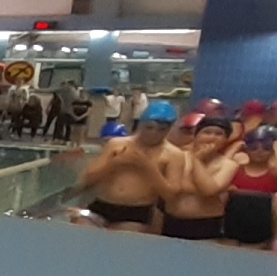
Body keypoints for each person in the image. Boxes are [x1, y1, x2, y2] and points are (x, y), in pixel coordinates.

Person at [75, 101, 182, 231]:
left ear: (170, 129)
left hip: (136, 212)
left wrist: (147, 167)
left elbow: (171, 196)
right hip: (101, 205)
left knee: (125, 239)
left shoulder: (174, 155)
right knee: (81, 233)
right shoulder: (116, 144)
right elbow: (88, 179)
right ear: (140, 124)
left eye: (162, 130)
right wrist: (114, 163)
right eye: (149, 127)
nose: (154, 133)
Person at [163, 117, 238, 241]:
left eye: (219, 134)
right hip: (172, 220)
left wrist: (197, 160)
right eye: (207, 132)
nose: (212, 137)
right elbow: (171, 189)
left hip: (205, 223)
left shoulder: (228, 164)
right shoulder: (177, 157)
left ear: (226, 140)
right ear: (196, 135)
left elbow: (208, 190)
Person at [225, 126, 277, 246]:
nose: (259, 151)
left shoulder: (275, 173)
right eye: (253, 147)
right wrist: (235, 147)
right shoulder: (235, 168)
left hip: (263, 231)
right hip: (233, 228)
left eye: (266, 148)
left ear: (272, 151)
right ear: (246, 149)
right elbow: (222, 165)